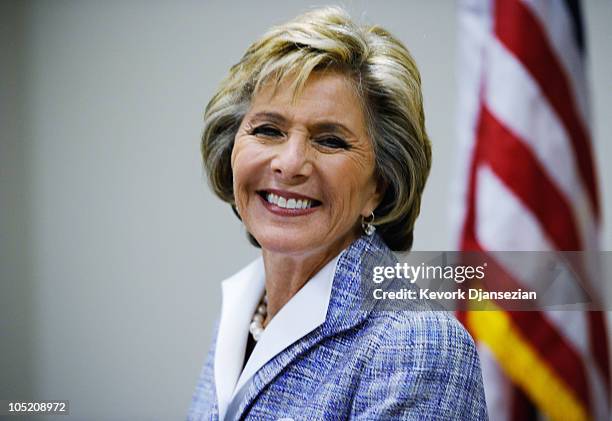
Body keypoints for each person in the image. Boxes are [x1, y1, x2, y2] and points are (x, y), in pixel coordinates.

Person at [189, 6, 487, 420]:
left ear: (379, 186)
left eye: (330, 141)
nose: (290, 163)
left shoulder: (416, 344)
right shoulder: (242, 311)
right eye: (268, 130)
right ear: (231, 150)